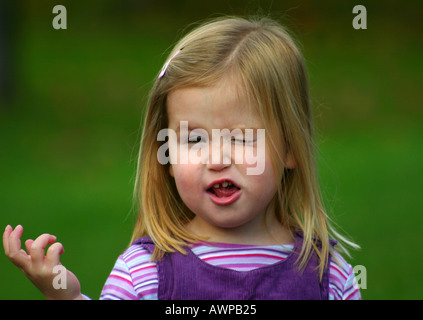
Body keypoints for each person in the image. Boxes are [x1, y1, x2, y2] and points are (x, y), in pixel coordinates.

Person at [3, 16, 361, 300]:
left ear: (290, 149)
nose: (217, 159)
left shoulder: (327, 275)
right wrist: (65, 295)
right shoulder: (144, 272)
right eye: (194, 139)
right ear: (168, 157)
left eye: (239, 137)